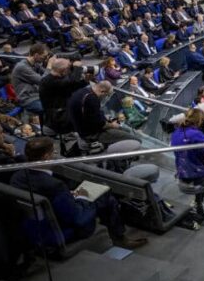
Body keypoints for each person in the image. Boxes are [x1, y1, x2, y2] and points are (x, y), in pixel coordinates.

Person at [11, 137, 147, 249]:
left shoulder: (16, 177)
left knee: (99, 195)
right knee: (105, 196)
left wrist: (70, 196)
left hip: (33, 230)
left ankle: (118, 236)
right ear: (46, 156)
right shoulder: (54, 185)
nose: (55, 154)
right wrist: (83, 197)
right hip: (62, 231)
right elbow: (78, 219)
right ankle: (119, 238)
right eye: (53, 152)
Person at [67, 80, 137, 146]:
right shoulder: (92, 100)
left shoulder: (84, 91)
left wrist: (108, 119)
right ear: (103, 91)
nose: (105, 97)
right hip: (91, 134)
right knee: (134, 139)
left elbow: (93, 116)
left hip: (82, 128)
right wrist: (112, 125)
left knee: (122, 128)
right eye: (106, 95)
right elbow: (100, 125)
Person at [38, 56, 86, 134]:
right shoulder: (48, 81)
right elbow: (71, 82)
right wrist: (77, 68)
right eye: (68, 68)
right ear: (64, 70)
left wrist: (85, 80)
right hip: (58, 117)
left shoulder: (59, 79)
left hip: (63, 112)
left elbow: (71, 86)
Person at [11, 43, 48, 117]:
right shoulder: (22, 67)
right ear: (36, 55)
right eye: (44, 57)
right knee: (49, 109)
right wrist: (49, 66)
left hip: (37, 95)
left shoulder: (35, 64)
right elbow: (43, 81)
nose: (45, 59)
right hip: (28, 99)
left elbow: (49, 75)